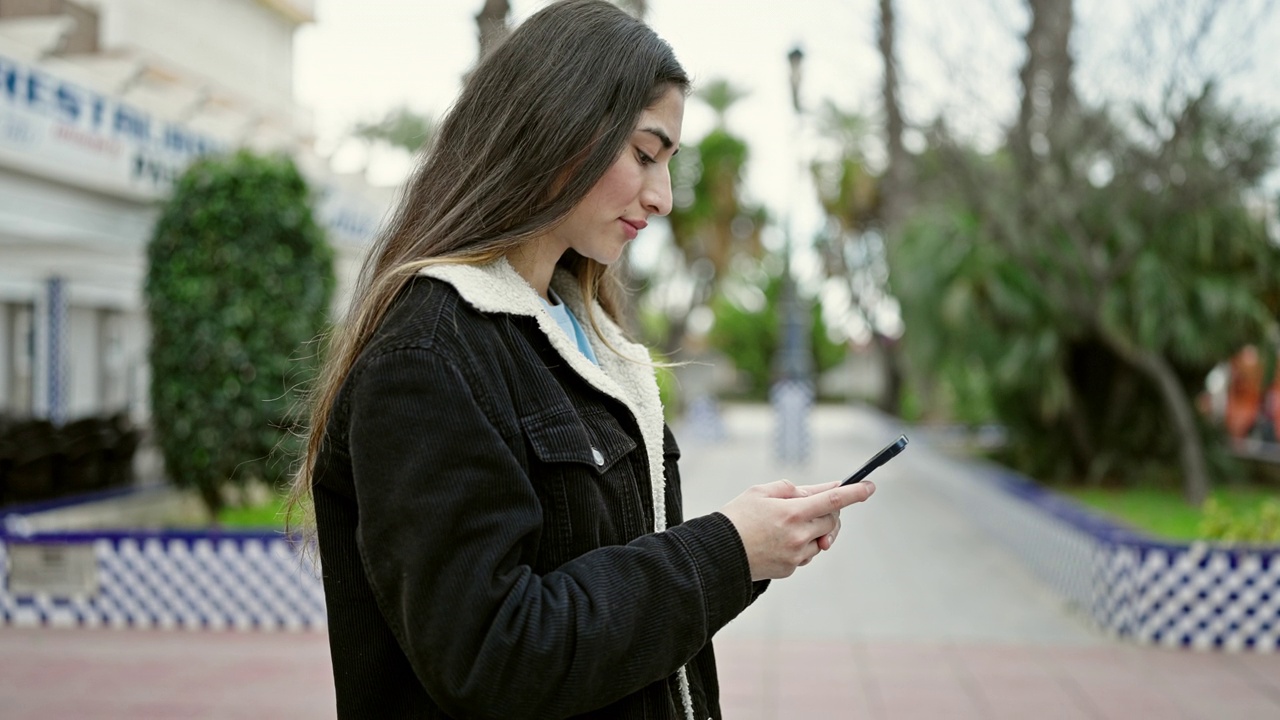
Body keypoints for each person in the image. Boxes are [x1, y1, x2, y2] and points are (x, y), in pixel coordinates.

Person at [289, 2, 877, 718]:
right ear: (559, 123)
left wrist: (749, 546)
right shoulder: (431, 353)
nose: (661, 197)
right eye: (644, 153)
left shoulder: (578, 336)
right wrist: (727, 551)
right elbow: (493, 655)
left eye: (668, 162)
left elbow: (610, 601)